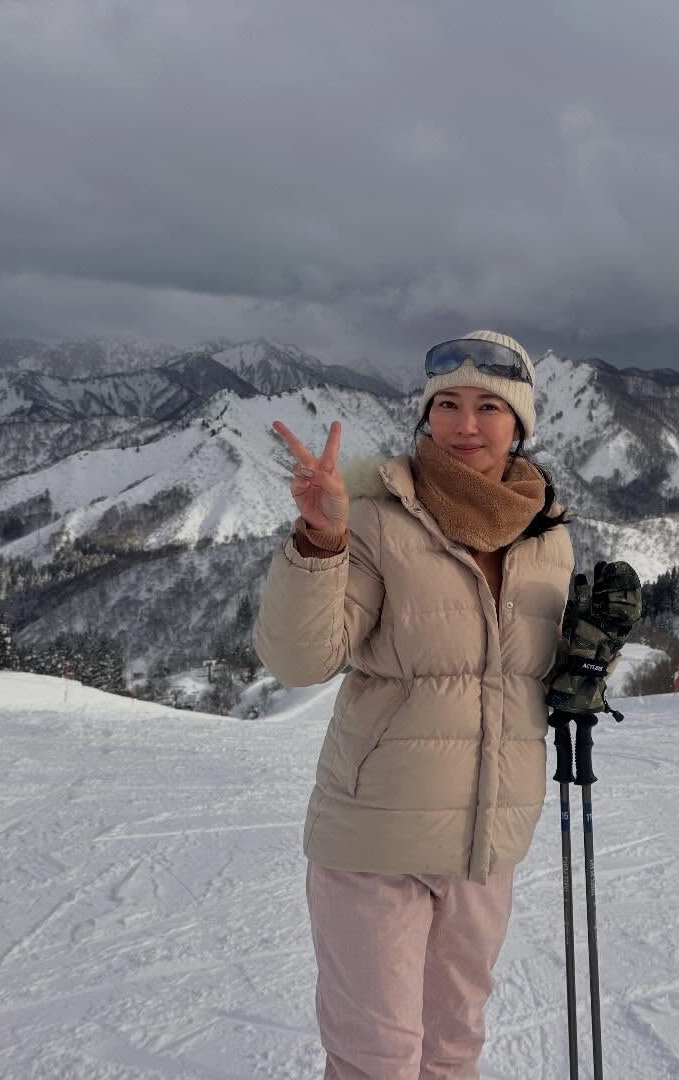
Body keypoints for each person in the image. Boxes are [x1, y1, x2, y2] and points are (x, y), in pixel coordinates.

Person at [253, 330, 574, 1079]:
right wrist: (323, 536)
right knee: (378, 1061)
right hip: (378, 839)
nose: (466, 425)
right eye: (449, 406)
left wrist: (593, 655)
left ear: (519, 424)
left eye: (489, 406)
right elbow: (302, 658)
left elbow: (527, 676)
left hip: (486, 843)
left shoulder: (546, 533)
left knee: (453, 1049)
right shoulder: (375, 516)